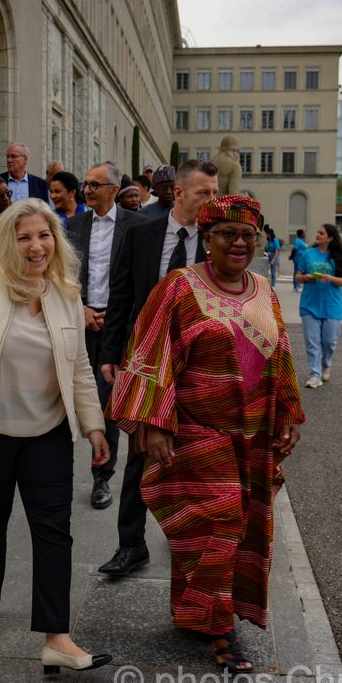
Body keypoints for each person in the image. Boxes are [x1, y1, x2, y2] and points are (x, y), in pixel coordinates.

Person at [107, 195, 304, 672]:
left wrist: (287, 414)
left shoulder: (263, 290)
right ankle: (221, 630)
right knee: (222, 524)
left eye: (247, 235)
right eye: (227, 234)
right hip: (197, 429)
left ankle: (192, 611)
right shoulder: (179, 287)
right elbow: (149, 351)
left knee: (208, 526)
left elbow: (279, 353)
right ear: (208, 239)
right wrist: (155, 424)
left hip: (252, 433)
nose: (238, 242)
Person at [0, 198, 114, 677]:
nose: (36, 246)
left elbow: (78, 368)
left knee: (55, 532)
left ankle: (57, 637)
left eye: (45, 235)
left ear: (57, 240)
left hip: (46, 434)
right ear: (7, 241)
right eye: (24, 236)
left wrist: (94, 424)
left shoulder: (65, 292)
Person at [96, 159, 220, 576]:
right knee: (138, 453)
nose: (211, 200)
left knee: (195, 457)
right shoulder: (141, 234)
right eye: (204, 193)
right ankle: (131, 545)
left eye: (214, 192)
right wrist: (110, 354)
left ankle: (189, 542)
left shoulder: (217, 241)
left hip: (197, 369)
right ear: (179, 192)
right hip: (145, 363)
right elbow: (121, 296)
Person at [66, 162, 148, 509]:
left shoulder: (138, 227)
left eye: (94, 185)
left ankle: (102, 476)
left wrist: (117, 317)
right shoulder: (74, 224)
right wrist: (80, 308)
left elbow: (139, 283)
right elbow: (64, 274)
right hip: (82, 322)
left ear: (114, 190)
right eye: (85, 184)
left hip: (120, 327)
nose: (87, 190)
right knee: (79, 400)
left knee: (109, 403)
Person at [296, 224, 342, 388]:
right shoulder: (307, 253)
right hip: (309, 305)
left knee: (329, 342)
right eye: (317, 232)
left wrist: (331, 278)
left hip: (332, 306)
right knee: (312, 342)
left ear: (330, 238)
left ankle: (326, 364)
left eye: (321, 233)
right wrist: (306, 277)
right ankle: (315, 375)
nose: (317, 235)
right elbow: (298, 277)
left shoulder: (338, 256)